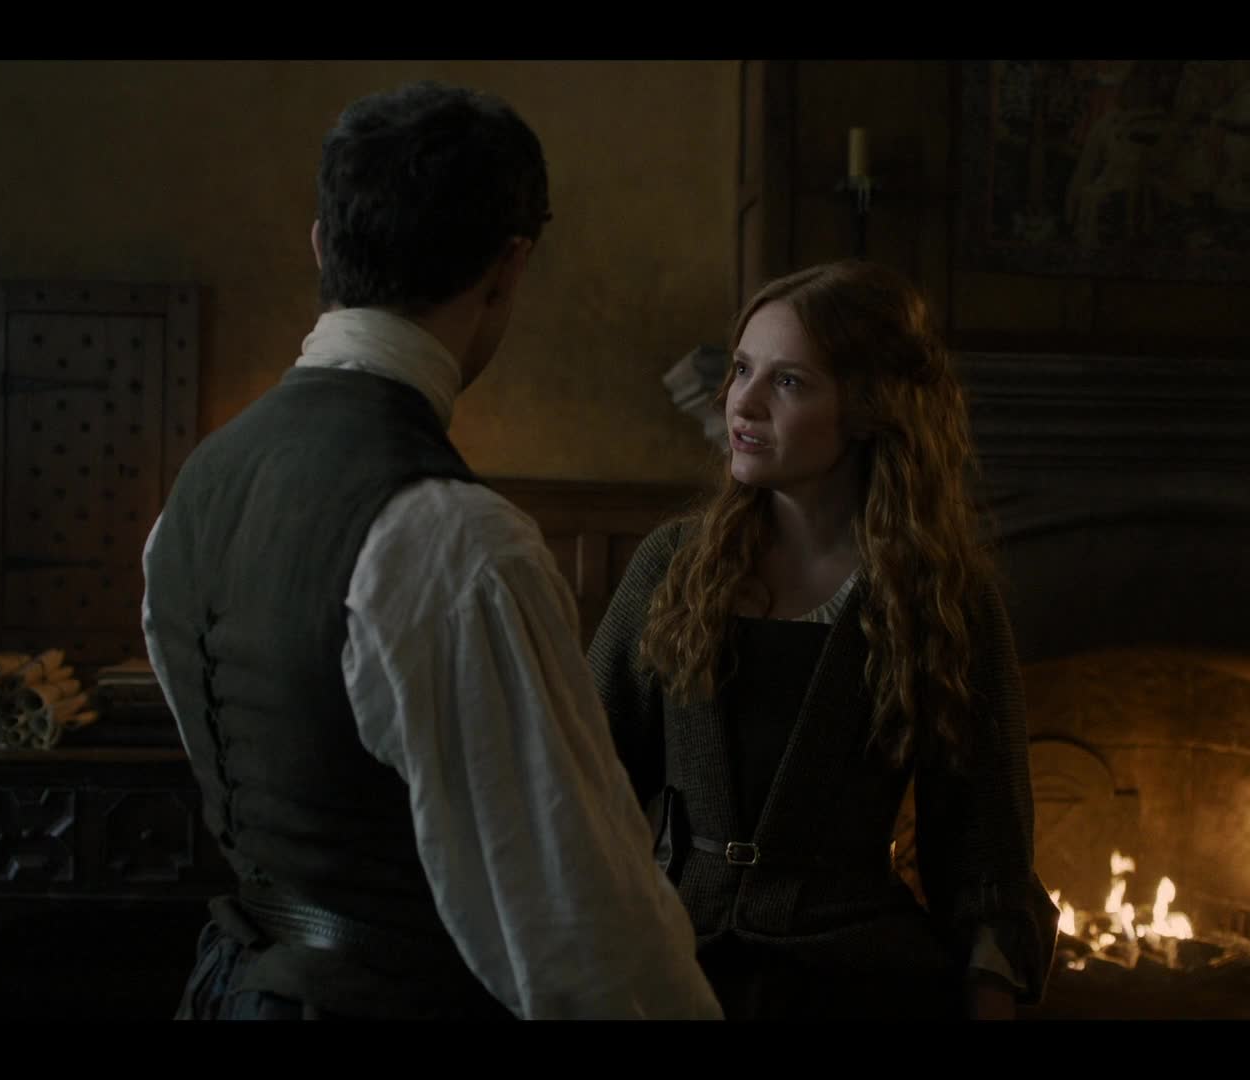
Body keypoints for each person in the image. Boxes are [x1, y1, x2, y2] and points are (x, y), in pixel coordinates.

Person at [141, 80, 721, 1021]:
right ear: (510, 268)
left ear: (321, 246)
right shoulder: (458, 542)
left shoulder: (195, 492)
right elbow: (580, 932)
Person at [588, 258, 1057, 1019]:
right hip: (674, 962)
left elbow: (985, 854)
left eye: (789, 381)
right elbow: (583, 771)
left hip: (857, 976)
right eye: (742, 369)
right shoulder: (674, 567)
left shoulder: (941, 597)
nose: (742, 402)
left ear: (870, 408)